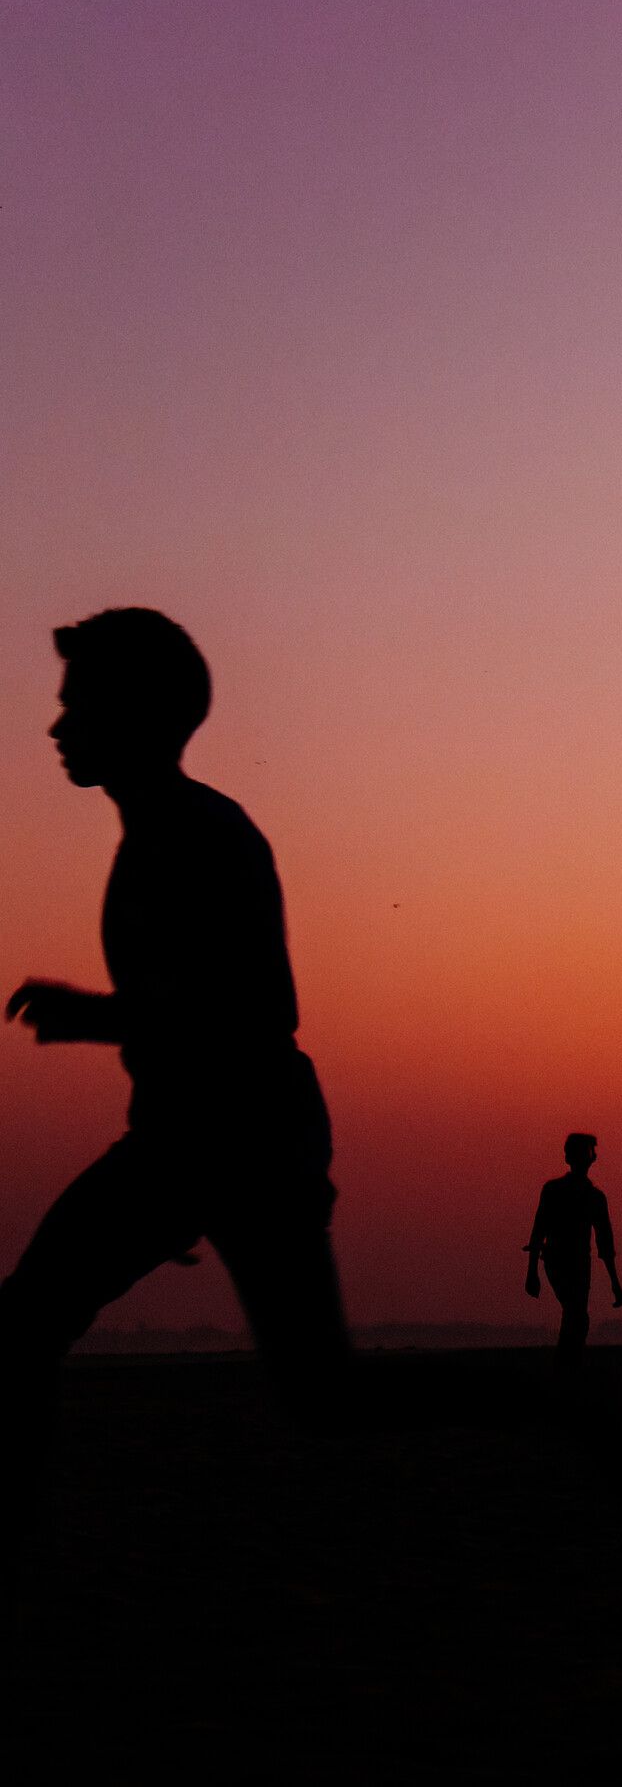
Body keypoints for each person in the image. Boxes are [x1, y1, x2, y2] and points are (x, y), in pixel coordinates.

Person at [1, 609, 363, 1577]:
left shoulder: (194, 833)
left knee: (325, 1397)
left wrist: (98, 1018)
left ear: (140, 714)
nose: (58, 725)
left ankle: (560, 1415)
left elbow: (259, 1009)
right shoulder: (160, 832)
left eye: (77, 705)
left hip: (230, 1145)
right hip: (195, 1143)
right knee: (28, 1328)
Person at [526, 1133, 622, 1375]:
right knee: (576, 1314)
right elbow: (539, 1231)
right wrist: (532, 1272)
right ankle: (567, 1368)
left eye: (587, 1152)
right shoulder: (554, 1190)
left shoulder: (595, 1198)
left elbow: (605, 1243)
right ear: (569, 1157)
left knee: (576, 1316)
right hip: (557, 1260)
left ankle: (567, 1367)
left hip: (579, 1262)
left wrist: (615, 1282)